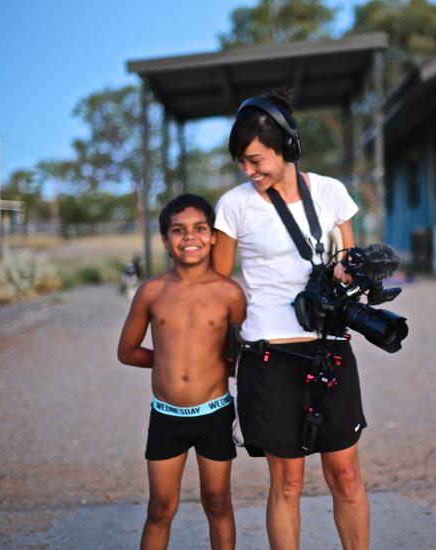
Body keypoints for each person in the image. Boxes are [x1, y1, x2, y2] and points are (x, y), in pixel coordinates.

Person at [212, 90, 370, 550]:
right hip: (270, 355)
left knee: (346, 474)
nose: (248, 171)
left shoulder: (331, 193)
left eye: (256, 160)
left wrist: (351, 274)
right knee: (288, 483)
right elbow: (218, 287)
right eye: (241, 162)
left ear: (287, 147)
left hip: (330, 348)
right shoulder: (234, 205)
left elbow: (347, 262)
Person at [118, 193, 246, 550]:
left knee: (218, 502)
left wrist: (215, 365)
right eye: (178, 230)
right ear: (165, 239)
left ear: (213, 236)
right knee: (160, 508)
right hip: (167, 416)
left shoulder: (230, 293)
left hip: (215, 414)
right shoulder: (151, 292)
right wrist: (168, 362)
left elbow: (240, 357)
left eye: (199, 228)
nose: (190, 237)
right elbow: (127, 351)